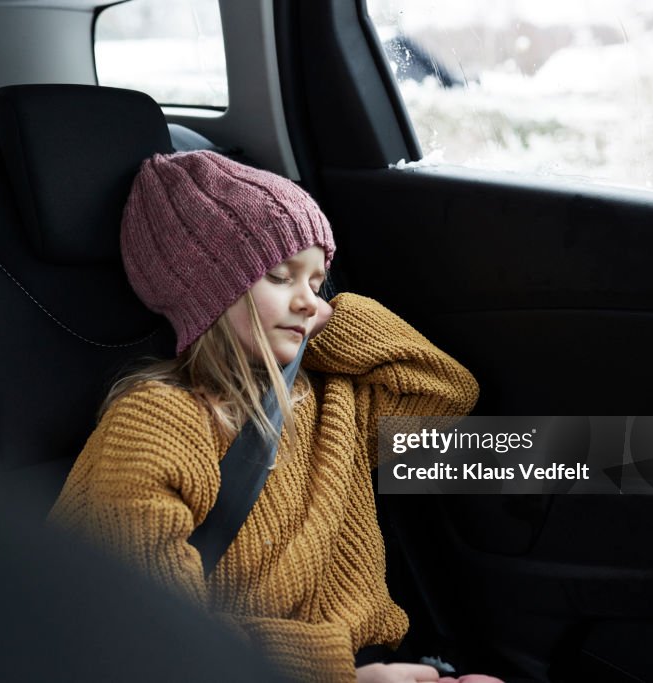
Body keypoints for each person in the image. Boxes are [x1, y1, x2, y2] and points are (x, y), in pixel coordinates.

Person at [49, 150, 497, 683]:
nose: (311, 301)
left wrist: (329, 321)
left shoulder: (332, 400)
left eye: (318, 281)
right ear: (210, 294)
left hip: (379, 659)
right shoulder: (157, 422)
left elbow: (445, 392)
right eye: (281, 278)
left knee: (595, 457)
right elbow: (148, 632)